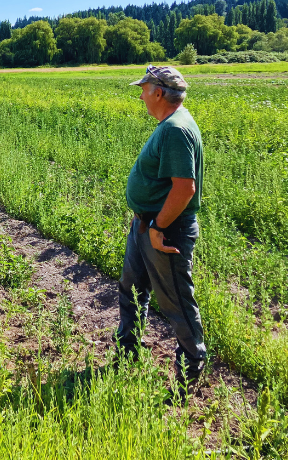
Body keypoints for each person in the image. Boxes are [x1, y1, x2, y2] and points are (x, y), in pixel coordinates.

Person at [115, 65, 206, 391]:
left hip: (164, 230)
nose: (140, 95)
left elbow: (184, 188)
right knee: (131, 289)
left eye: (143, 89)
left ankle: (191, 374)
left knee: (176, 303)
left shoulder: (175, 129)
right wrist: (144, 216)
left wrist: (157, 226)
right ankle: (125, 356)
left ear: (158, 92)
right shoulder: (172, 124)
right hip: (148, 224)